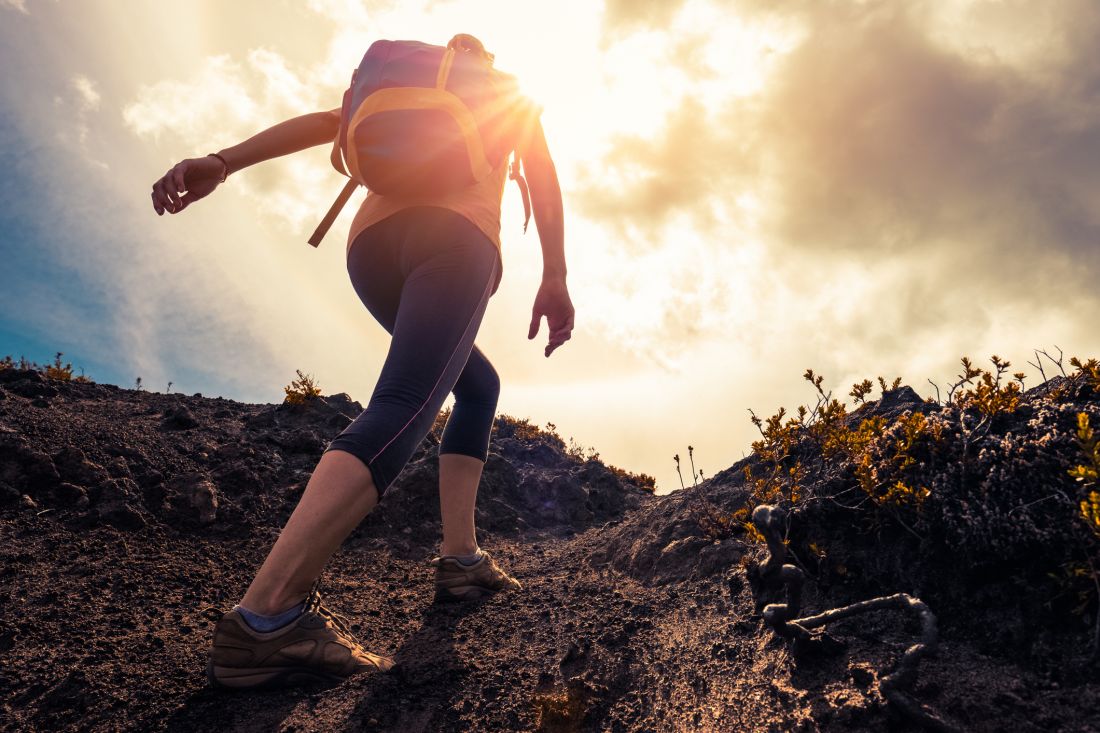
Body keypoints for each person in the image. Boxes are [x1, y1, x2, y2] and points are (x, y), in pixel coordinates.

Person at [149, 34, 573, 689]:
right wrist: (555, 275)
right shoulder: (504, 90)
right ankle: (265, 616)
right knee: (404, 403)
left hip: (371, 250)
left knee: (478, 385)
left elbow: (324, 124)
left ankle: (461, 560)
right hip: (453, 238)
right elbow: (541, 173)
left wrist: (222, 161)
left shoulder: (394, 82)